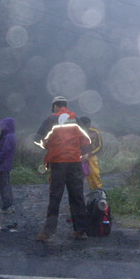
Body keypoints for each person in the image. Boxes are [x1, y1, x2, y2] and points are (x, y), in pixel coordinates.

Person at [33, 96, 91, 241]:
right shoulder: (75, 119)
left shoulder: (50, 120)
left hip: (58, 162)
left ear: (55, 106)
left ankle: (48, 232)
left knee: (55, 196)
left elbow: (37, 139)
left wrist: (47, 146)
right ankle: (80, 230)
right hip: (75, 163)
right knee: (77, 195)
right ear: (65, 106)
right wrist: (82, 152)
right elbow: (87, 140)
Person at [0, 117, 16, 214]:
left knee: (3, 185)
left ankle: (7, 206)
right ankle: (9, 204)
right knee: (7, 183)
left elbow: (4, 151)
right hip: (7, 164)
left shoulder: (7, 137)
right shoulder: (12, 135)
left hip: (3, 164)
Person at [79, 116, 103, 190]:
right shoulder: (76, 132)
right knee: (78, 176)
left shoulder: (95, 131)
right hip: (78, 157)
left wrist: (89, 154)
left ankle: (97, 191)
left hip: (91, 157)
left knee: (94, 174)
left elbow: (99, 146)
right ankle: (78, 194)